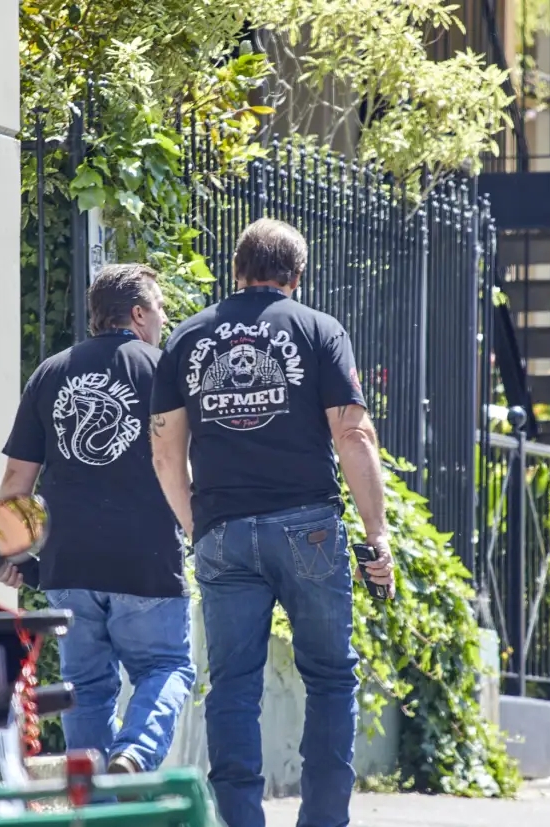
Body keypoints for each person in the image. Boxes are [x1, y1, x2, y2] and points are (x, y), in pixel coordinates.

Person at [149, 218, 395, 827]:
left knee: (232, 685)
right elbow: (353, 434)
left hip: (222, 531)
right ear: (297, 276)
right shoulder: (319, 330)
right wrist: (377, 533)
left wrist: (198, 527)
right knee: (330, 677)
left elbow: (164, 454)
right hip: (308, 525)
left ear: (237, 270)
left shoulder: (187, 337)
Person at [0, 263, 195, 775]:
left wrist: (9, 554)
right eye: (160, 309)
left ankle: (93, 799)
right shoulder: (164, 370)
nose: (164, 320)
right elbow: (182, 464)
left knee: (85, 687)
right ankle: (135, 753)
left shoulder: (50, 372)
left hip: (69, 565)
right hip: (147, 561)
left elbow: (18, 479)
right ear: (137, 314)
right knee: (166, 666)